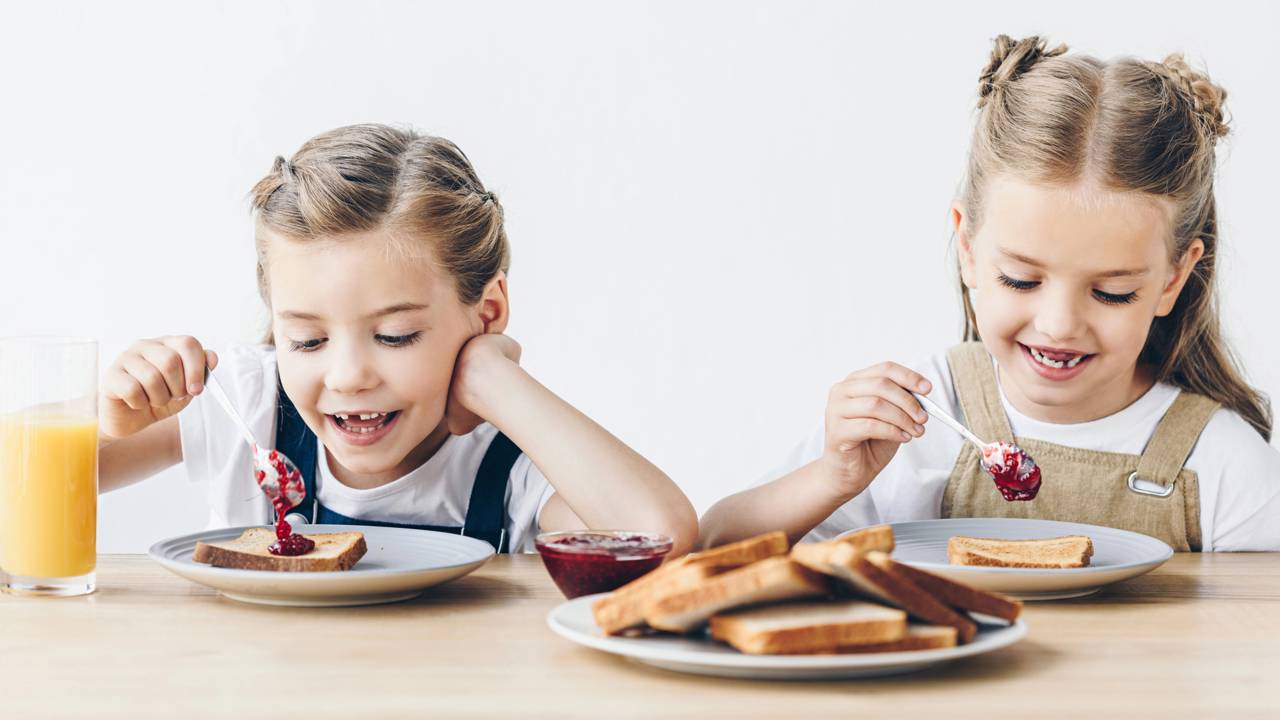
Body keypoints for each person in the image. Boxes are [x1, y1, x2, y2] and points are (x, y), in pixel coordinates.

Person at [700, 36, 1279, 552]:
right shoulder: (921, 419)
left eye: (1112, 292)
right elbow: (712, 546)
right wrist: (833, 478)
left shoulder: (1223, 464)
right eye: (1021, 280)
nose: (1058, 324)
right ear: (969, 249)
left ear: (1173, 279)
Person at [98, 124, 697, 555]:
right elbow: (39, 483)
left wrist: (495, 378)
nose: (348, 376)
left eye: (395, 335)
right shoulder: (246, 404)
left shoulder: (510, 464)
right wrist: (110, 421)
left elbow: (661, 540)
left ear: (487, 313)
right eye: (306, 340)